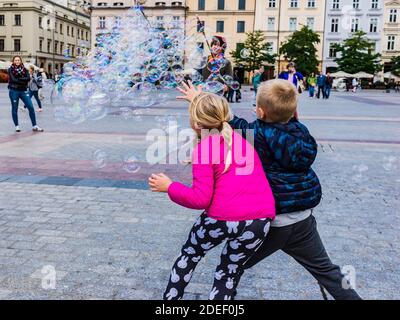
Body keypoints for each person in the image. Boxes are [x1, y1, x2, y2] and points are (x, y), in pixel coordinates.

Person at [225, 79, 362, 300]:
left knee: (231, 265)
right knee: (327, 271)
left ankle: (222, 301)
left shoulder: (258, 134)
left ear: (260, 112)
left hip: (272, 224)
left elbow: (239, 126)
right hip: (303, 221)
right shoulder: (301, 131)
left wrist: (203, 101)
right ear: (294, 111)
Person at [149, 86, 276, 300]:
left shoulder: (205, 148)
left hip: (221, 218)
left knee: (190, 254)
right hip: (259, 221)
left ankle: (171, 302)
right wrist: (197, 99)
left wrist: (169, 186)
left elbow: (200, 199)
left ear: (196, 124)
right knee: (228, 271)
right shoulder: (244, 138)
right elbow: (212, 123)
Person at [7, 56, 43, 133]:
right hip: (14, 91)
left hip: (23, 91)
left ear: (20, 61)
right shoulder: (10, 69)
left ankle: (35, 126)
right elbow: (13, 80)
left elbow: (28, 79)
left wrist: (18, 80)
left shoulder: (24, 69)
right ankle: (17, 126)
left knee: (30, 107)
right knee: (15, 108)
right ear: (13, 61)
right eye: (15, 60)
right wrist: (23, 80)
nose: (17, 61)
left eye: (18, 60)